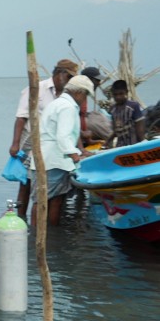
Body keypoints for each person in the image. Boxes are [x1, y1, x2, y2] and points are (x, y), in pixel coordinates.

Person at [7, 58, 78, 221]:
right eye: (69, 78)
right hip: (31, 139)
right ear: (59, 74)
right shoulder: (36, 89)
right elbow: (21, 117)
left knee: (52, 188)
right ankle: (20, 218)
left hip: (52, 143)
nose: (70, 82)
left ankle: (47, 224)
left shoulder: (67, 96)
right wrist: (15, 143)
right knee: (26, 183)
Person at [35, 75, 94, 225]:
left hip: (45, 158)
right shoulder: (67, 107)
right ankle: (50, 235)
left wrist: (79, 152)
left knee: (41, 200)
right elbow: (63, 137)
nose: (84, 99)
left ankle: (37, 236)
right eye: (85, 95)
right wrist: (75, 156)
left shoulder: (56, 103)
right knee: (53, 201)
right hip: (54, 161)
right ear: (79, 92)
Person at [106, 79, 146, 148]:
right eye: (115, 95)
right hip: (120, 146)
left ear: (126, 92)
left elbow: (140, 128)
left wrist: (143, 144)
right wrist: (107, 141)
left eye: (121, 94)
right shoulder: (113, 109)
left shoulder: (133, 106)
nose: (118, 97)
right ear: (112, 94)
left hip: (134, 145)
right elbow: (116, 130)